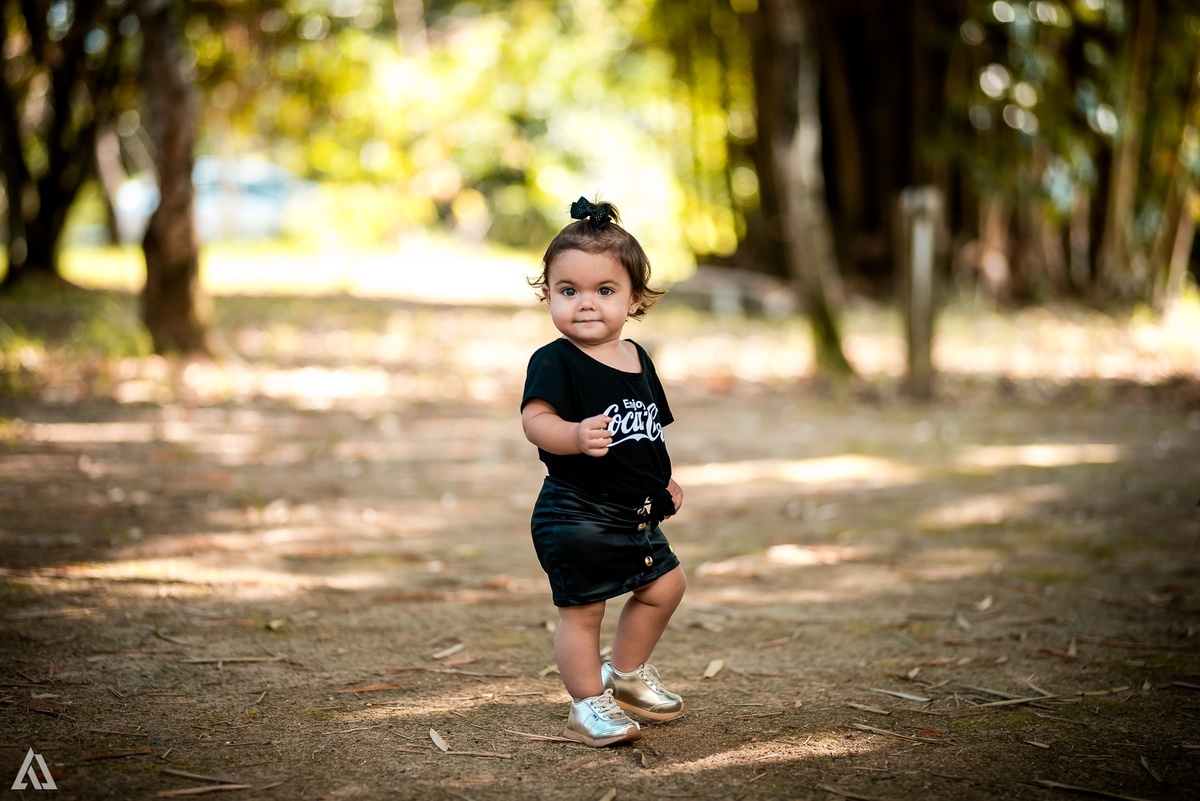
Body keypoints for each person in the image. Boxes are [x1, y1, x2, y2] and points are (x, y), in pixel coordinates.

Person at [521, 196, 687, 748]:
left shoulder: (638, 357)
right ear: (549, 294)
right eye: (568, 291)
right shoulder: (555, 361)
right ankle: (587, 705)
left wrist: (661, 480)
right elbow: (535, 420)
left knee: (666, 585)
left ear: (635, 298)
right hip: (576, 513)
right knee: (583, 611)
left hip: (634, 512)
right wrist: (571, 435)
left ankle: (628, 676)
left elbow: (648, 432)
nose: (585, 304)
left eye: (604, 291)